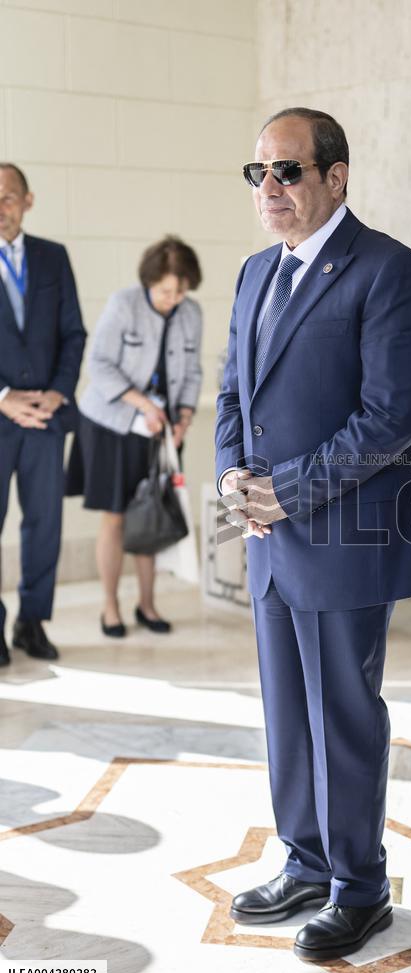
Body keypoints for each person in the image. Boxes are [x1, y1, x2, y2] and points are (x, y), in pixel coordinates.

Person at [215, 108, 411, 962]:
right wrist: (236, 474)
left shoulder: (390, 272)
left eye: (288, 171)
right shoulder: (250, 273)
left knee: (342, 715)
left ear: (335, 177)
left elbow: (389, 418)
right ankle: (305, 860)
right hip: (271, 535)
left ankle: (360, 885)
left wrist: (286, 494)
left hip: (344, 536)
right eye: (258, 174)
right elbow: (233, 389)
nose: (269, 188)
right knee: (285, 712)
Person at [67, 237, 203, 637]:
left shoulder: (190, 313)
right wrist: (142, 405)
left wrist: (185, 418)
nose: (173, 298)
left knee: (154, 514)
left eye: (181, 291)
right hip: (111, 423)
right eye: (165, 291)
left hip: (162, 429)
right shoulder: (123, 304)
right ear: (149, 281)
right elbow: (100, 365)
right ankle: (110, 607)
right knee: (116, 516)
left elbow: (192, 371)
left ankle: (148, 604)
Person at [0, 163, 86, 667]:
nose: (0, 207)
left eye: (8, 196)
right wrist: (4, 396)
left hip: (47, 419)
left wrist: (56, 393)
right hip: (1, 413)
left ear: (28, 201)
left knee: (44, 525)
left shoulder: (53, 258)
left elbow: (74, 333)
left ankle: (32, 622)